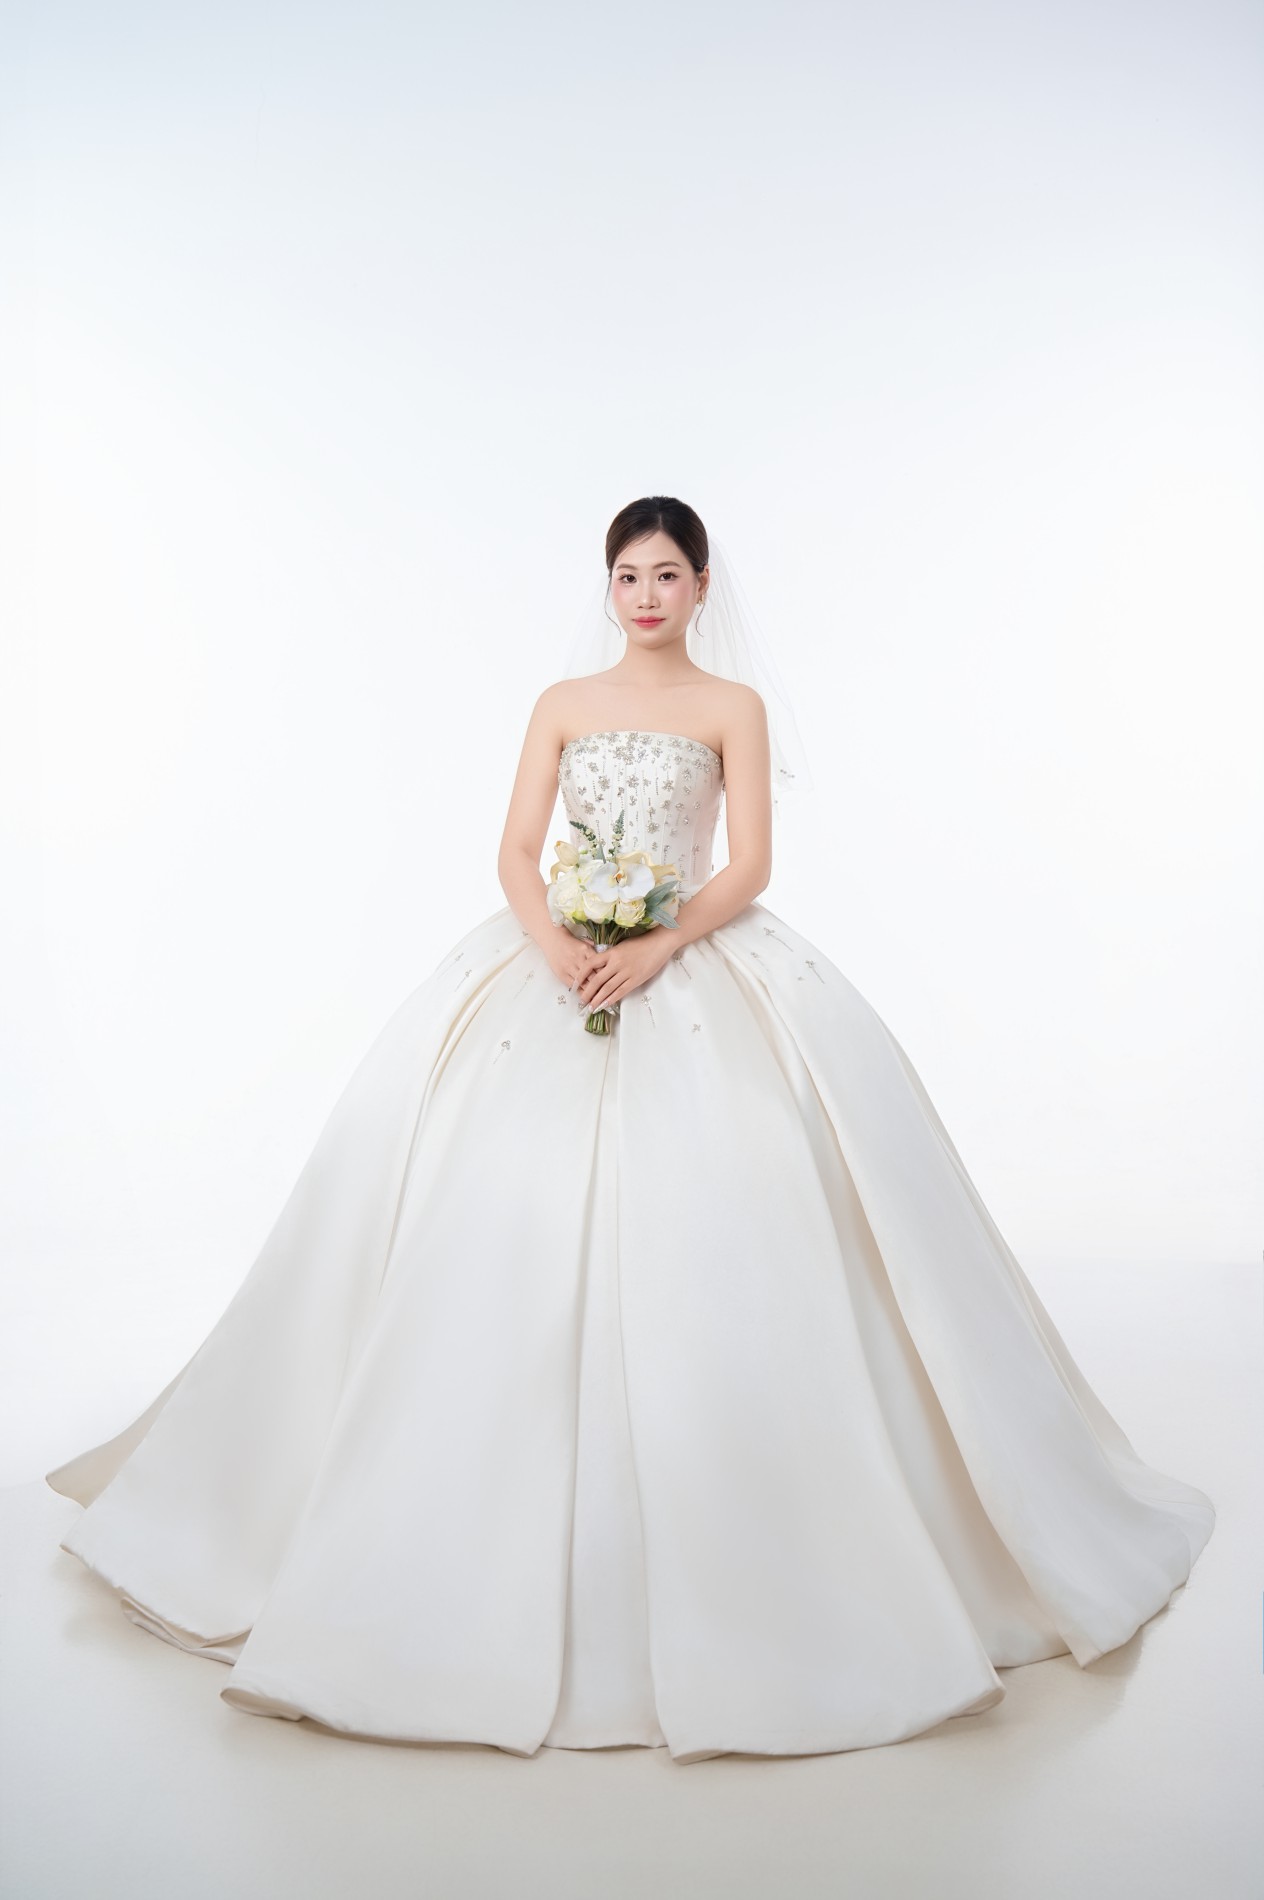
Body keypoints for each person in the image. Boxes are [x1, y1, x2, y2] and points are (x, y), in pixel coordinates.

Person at [45, 496, 1215, 1764]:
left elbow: (749, 862)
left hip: (688, 956)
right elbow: (516, 847)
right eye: (625, 574)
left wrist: (656, 942)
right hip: (553, 963)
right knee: (469, 1200)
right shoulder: (561, 702)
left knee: (746, 1203)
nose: (645, 594)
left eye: (665, 573)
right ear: (607, 586)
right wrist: (557, 941)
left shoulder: (731, 709)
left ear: (701, 585)